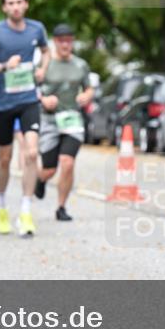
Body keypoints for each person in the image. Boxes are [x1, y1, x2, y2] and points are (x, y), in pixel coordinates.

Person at [0, 0, 50, 237]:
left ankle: (26, 210)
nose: (16, 7)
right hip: (3, 103)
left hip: (28, 99)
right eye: (10, 4)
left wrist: (42, 69)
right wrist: (4, 66)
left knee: (31, 153)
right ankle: (2, 204)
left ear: (26, 4)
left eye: (19, 2)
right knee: (5, 158)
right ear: (4, 7)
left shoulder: (37, 29)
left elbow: (46, 51)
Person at [33, 24, 94, 221]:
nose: (66, 44)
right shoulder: (45, 65)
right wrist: (43, 100)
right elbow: (32, 89)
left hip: (72, 119)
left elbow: (89, 88)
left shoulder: (81, 65)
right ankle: (40, 180)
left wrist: (86, 96)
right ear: (55, 42)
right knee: (50, 169)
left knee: (67, 163)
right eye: (61, 40)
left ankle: (61, 207)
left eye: (69, 40)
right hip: (49, 120)